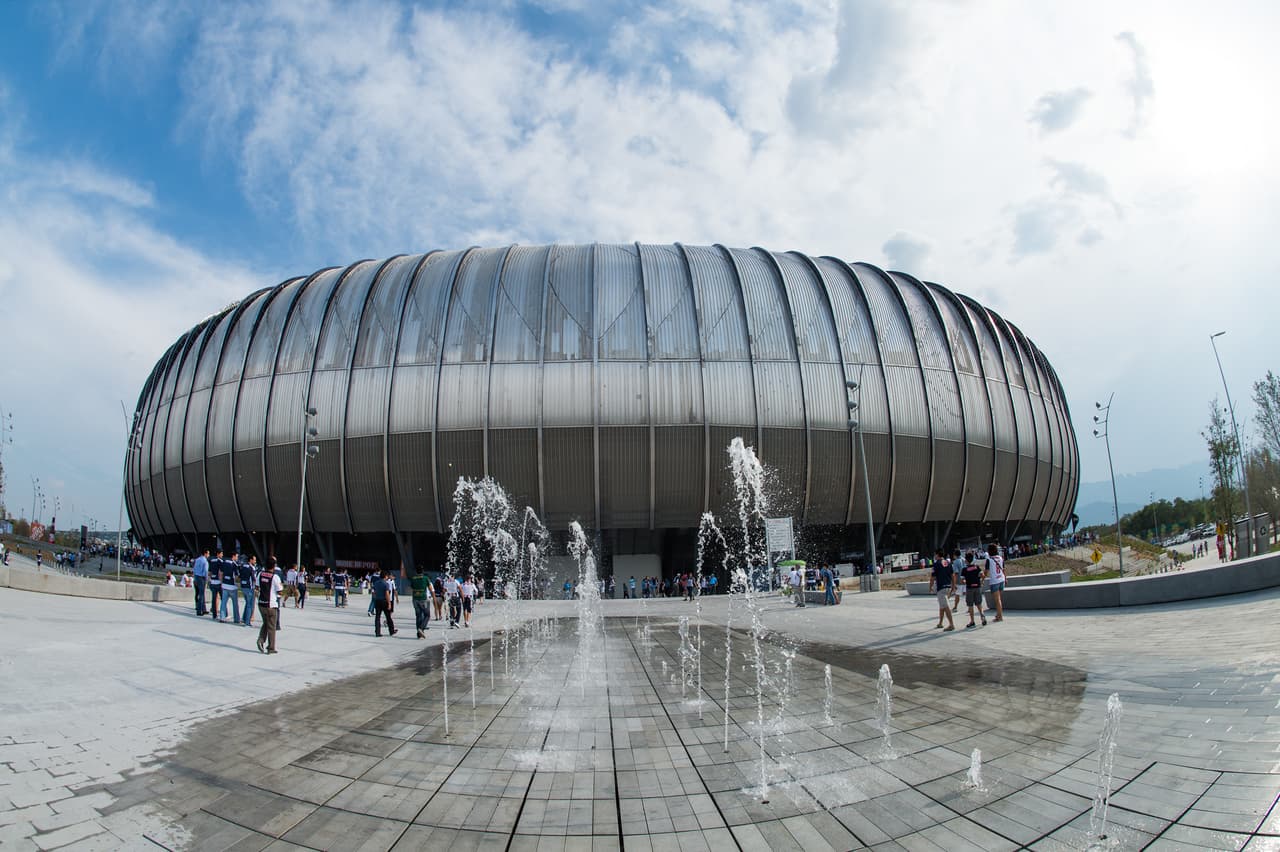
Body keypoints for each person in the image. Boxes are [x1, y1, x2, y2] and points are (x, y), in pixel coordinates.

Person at [256, 559, 283, 654]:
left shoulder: (260, 574)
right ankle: (271, 647)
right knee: (272, 626)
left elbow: (257, 587)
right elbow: (280, 591)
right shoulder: (275, 577)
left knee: (266, 623)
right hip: (271, 604)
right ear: (274, 566)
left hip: (261, 603)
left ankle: (261, 640)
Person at [929, 554, 956, 631]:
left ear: (937, 555)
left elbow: (933, 577)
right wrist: (953, 586)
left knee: (945, 606)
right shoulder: (948, 562)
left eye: (935, 555)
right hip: (948, 586)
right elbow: (953, 575)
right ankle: (940, 623)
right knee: (942, 606)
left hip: (941, 587)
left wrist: (930, 586)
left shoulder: (936, 564)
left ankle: (951, 624)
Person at [961, 552, 986, 628]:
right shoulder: (977, 567)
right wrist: (981, 582)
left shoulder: (964, 569)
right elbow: (983, 575)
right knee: (979, 604)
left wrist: (966, 581)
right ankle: (982, 616)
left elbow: (962, 580)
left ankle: (972, 621)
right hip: (977, 587)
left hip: (969, 588)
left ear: (966, 560)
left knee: (970, 605)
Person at [372, 570, 397, 637]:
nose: (388, 577)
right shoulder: (386, 584)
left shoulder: (376, 583)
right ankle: (391, 631)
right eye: (387, 576)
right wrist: (389, 603)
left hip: (377, 601)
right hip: (384, 601)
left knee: (377, 617)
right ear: (385, 576)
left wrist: (375, 599)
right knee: (388, 617)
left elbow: (373, 592)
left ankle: (377, 632)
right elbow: (387, 594)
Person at [985, 543, 1006, 622]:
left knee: (997, 600)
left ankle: (1000, 616)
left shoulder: (989, 560)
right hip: (1001, 579)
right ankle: (998, 614)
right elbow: (1003, 569)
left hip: (994, 581)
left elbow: (986, 572)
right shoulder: (1000, 558)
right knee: (999, 599)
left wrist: (982, 578)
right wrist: (1005, 578)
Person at [410, 568, 433, 638]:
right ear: (422, 571)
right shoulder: (425, 578)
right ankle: (421, 628)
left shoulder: (413, 578)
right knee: (427, 615)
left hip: (415, 599)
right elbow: (430, 588)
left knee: (418, 616)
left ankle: (419, 634)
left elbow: (412, 588)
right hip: (423, 599)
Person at [239, 555, 257, 627]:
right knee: (250, 605)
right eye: (254, 560)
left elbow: (240, 576)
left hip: (243, 587)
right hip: (249, 587)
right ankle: (247, 622)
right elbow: (254, 578)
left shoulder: (243, 566)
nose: (255, 561)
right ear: (250, 560)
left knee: (247, 603)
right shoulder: (251, 568)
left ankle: (244, 618)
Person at [208, 549, 223, 620]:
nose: (222, 555)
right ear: (218, 554)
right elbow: (220, 572)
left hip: (212, 581)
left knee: (214, 599)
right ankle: (224, 614)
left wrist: (211, 579)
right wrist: (221, 581)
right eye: (221, 554)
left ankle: (214, 615)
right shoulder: (220, 561)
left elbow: (209, 572)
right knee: (223, 599)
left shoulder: (211, 561)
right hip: (218, 582)